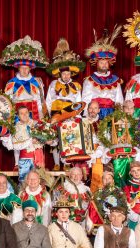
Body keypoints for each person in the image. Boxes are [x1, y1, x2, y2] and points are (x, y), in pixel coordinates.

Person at [45, 38, 85, 169]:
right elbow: (49, 100)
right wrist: (48, 116)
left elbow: (79, 102)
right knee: (56, 139)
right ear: (60, 74)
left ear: (71, 74)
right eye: (64, 74)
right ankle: (56, 163)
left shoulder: (76, 86)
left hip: (70, 114)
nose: (66, 76)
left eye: (68, 74)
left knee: (68, 137)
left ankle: (66, 163)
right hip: (56, 113)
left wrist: (77, 116)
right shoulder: (53, 84)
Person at [1, 36, 47, 120]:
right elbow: (7, 102)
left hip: (34, 116)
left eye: (26, 68)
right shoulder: (11, 83)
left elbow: (40, 101)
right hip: (17, 117)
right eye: (22, 68)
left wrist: (41, 117)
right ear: (18, 68)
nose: (24, 70)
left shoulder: (37, 82)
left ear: (30, 68)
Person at [82, 30, 124, 119]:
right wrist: (86, 116)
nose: (104, 65)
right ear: (97, 63)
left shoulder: (115, 80)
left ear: (109, 64)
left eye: (106, 63)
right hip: (94, 113)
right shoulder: (90, 80)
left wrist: (119, 115)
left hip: (111, 113)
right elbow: (85, 99)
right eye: (101, 62)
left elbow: (119, 99)